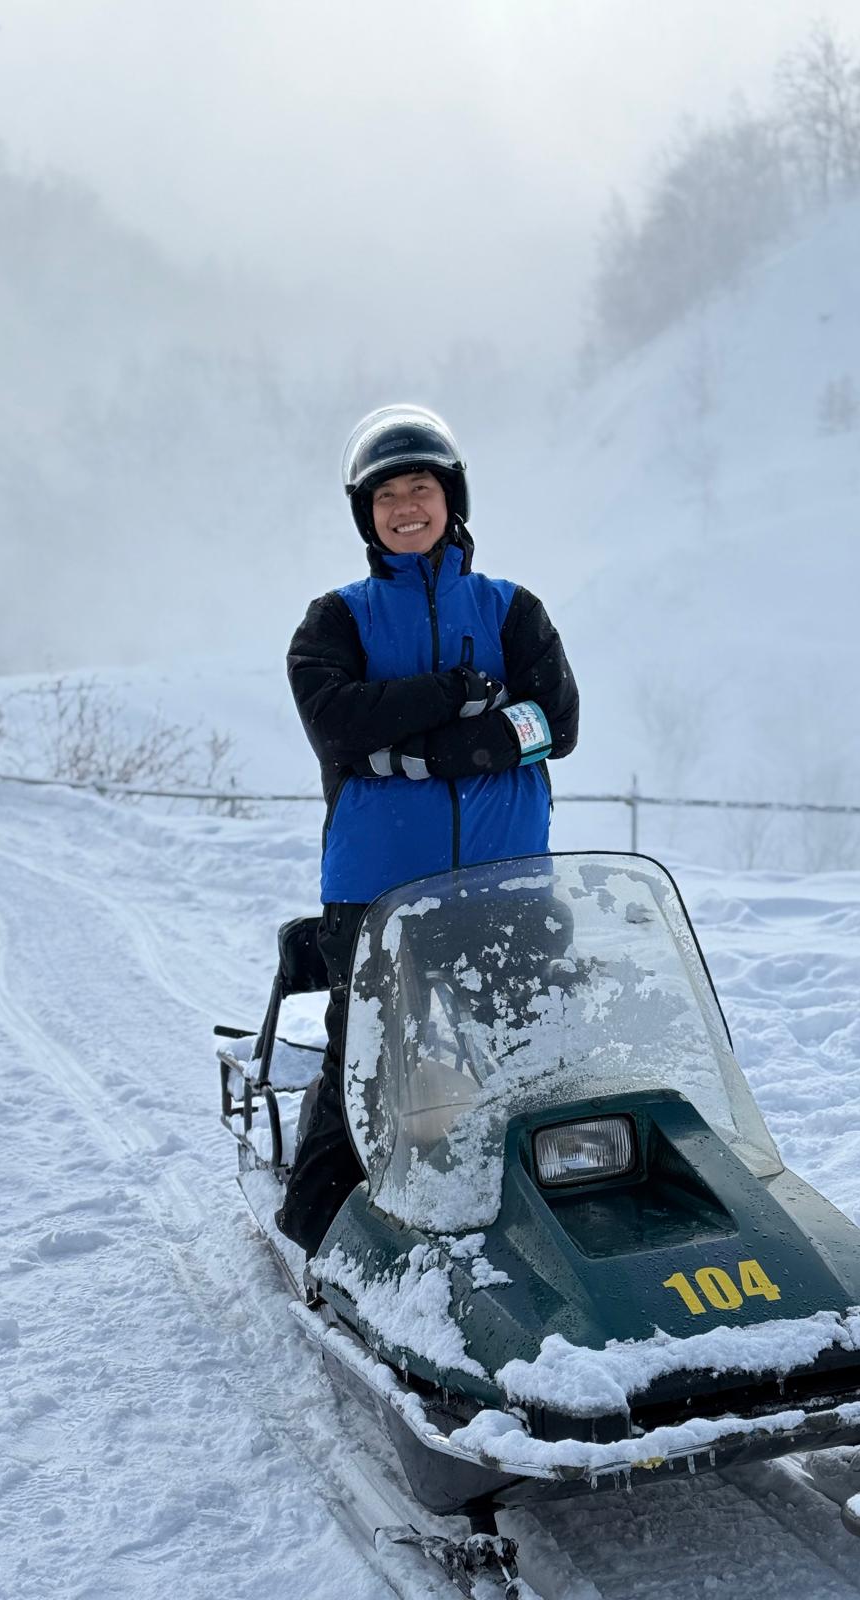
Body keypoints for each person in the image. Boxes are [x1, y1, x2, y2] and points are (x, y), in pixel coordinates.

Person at [275, 404, 579, 1257]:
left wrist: (414, 750)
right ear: (365, 516)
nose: (407, 506)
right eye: (387, 497)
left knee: (535, 1061)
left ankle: (555, 1217)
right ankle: (319, 1232)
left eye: (423, 488)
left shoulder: (513, 610)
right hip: (377, 889)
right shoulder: (334, 620)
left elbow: (556, 720)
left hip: (507, 879)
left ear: (453, 501)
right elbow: (336, 725)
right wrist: (457, 693)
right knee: (367, 1071)